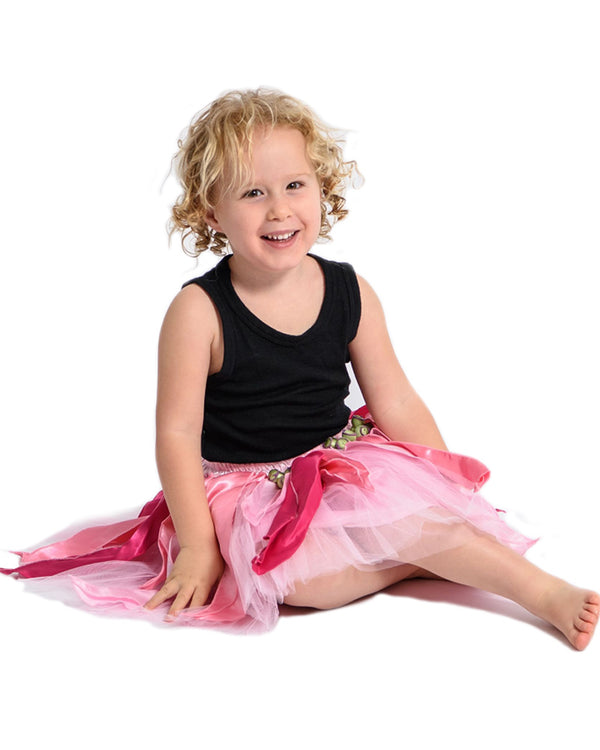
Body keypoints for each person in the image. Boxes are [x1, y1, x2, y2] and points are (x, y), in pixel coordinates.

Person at [2, 89, 598, 649]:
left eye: (294, 185)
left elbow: (396, 401)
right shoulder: (198, 311)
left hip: (341, 463)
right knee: (300, 582)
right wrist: (199, 548)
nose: (280, 209)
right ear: (211, 211)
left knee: (431, 517)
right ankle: (419, 557)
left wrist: (446, 489)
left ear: (321, 188)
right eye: (252, 193)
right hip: (251, 487)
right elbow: (176, 435)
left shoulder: (349, 289)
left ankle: (541, 590)